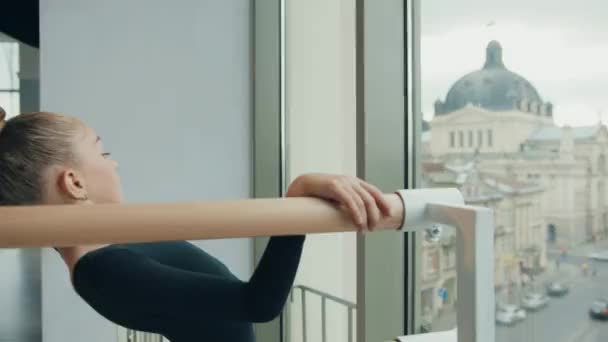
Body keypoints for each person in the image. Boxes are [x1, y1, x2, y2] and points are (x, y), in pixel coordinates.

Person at [0, 111, 392, 342]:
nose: (114, 163)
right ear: (75, 182)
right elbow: (257, 303)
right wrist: (296, 199)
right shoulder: (104, 270)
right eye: (103, 151)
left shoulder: (108, 253)